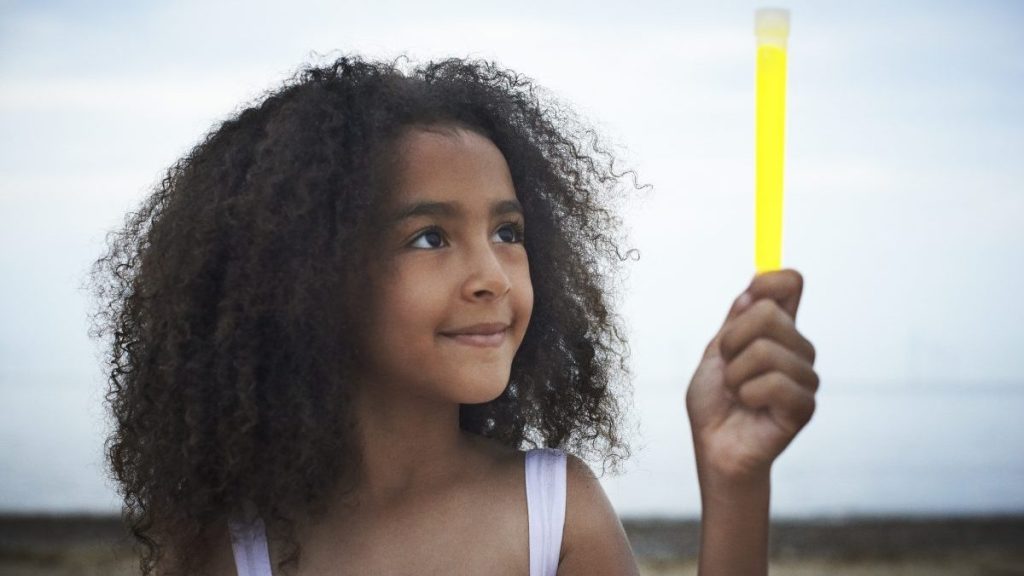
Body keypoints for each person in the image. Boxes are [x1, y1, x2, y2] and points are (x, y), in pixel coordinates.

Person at [87, 54, 818, 576]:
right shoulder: (230, 545)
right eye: (430, 237)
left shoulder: (554, 515)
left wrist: (733, 483)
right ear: (307, 277)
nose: (492, 277)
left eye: (508, 232)